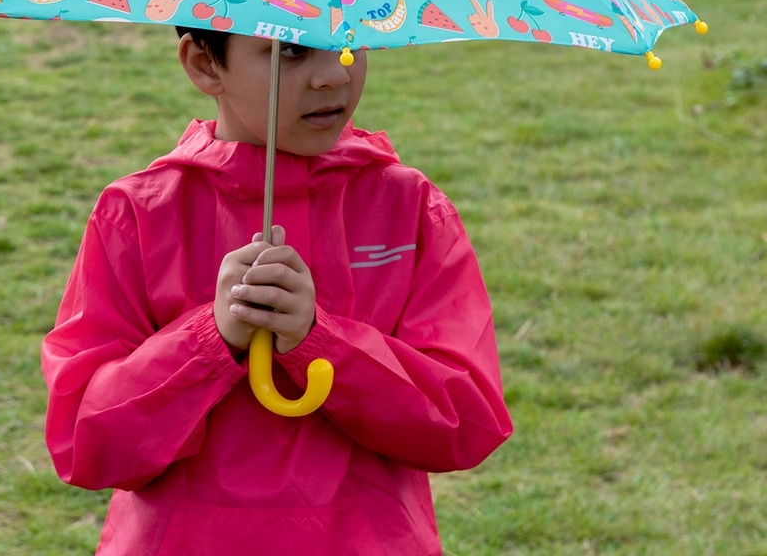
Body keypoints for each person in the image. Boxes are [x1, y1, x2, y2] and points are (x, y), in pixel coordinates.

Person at [42, 28, 512, 556]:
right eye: (291, 50)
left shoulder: (410, 210)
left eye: (350, 44)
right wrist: (207, 339)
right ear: (204, 63)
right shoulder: (138, 216)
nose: (335, 73)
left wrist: (322, 341)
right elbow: (87, 444)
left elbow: (467, 421)